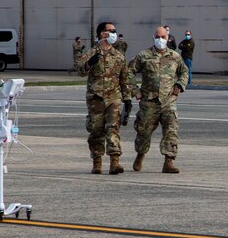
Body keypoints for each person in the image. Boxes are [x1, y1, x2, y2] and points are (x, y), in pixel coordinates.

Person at [128, 26, 189, 173]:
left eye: (163, 37)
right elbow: (128, 72)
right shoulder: (144, 55)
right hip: (149, 101)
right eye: (157, 36)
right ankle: (140, 155)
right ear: (153, 37)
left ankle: (169, 161)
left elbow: (184, 72)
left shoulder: (175, 56)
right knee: (144, 132)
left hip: (168, 100)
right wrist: (135, 90)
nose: (160, 39)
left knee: (171, 130)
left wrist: (179, 86)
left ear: (168, 38)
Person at [76, 21, 131, 175]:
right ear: (102, 33)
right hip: (96, 98)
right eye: (110, 30)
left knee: (113, 128)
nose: (113, 33)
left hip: (113, 97)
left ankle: (115, 162)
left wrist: (127, 98)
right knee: (96, 130)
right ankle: (97, 162)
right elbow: (80, 70)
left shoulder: (119, 56)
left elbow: (124, 78)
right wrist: (88, 64)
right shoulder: (92, 53)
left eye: (114, 30)